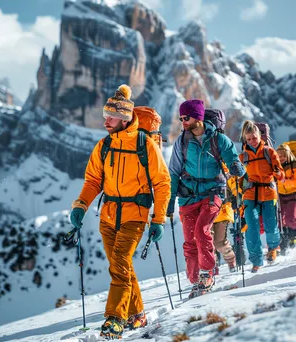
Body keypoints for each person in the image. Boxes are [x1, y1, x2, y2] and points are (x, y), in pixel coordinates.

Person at [70, 85, 171, 339]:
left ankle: (115, 319)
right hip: (107, 216)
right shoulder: (103, 146)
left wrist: (158, 219)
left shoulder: (145, 144)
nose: (105, 120)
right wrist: (81, 205)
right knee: (121, 266)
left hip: (135, 215)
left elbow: (162, 182)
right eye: (105, 115)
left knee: (120, 265)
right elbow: (93, 181)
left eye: (110, 116)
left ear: (124, 118)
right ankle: (137, 315)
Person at [168, 99, 245, 298]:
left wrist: (238, 168)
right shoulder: (181, 142)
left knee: (202, 231)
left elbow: (234, 161)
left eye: (186, 117)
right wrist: (169, 201)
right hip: (188, 197)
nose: (183, 121)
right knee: (189, 242)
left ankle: (207, 273)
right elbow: (174, 172)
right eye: (181, 118)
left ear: (198, 117)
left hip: (213, 193)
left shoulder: (219, 140)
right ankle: (196, 280)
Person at [239, 120, 285, 273]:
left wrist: (278, 173)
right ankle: (256, 260)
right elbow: (238, 178)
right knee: (251, 227)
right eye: (249, 138)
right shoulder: (243, 157)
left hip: (268, 192)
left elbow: (281, 175)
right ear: (245, 139)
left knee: (271, 226)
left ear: (260, 137)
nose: (252, 141)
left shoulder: (269, 152)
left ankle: (273, 247)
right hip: (250, 193)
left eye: (254, 137)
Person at [211, 173, 238, 274]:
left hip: (222, 211)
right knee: (207, 242)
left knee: (219, 243)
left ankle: (230, 259)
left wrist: (236, 197)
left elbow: (235, 183)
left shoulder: (225, 169)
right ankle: (212, 266)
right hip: (205, 210)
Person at [276, 143, 296, 254]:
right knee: (281, 221)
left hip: (293, 195)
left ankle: (294, 234)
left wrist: (285, 181)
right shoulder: (276, 168)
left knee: (290, 218)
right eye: (279, 156)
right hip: (281, 196)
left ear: (288, 155)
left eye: (283, 155)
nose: (281, 158)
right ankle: (285, 240)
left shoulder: (294, 166)